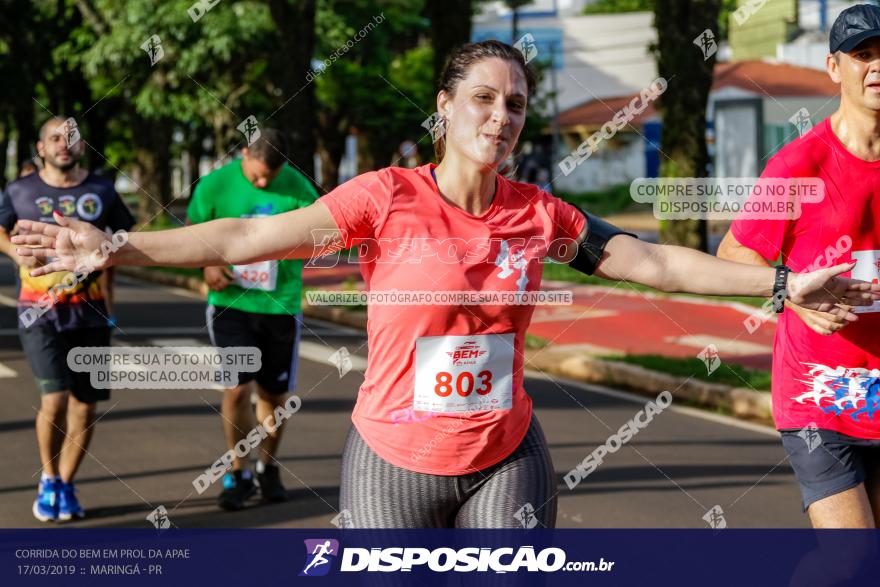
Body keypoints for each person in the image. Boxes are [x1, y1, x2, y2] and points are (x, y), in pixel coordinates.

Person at [13, 41, 880, 529]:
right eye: (483, 100)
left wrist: (780, 283)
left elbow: (646, 259)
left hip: (506, 460)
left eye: (514, 104)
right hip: (393, 465)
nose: (500, 118)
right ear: (444, 108)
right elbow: (247, 233)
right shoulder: (385, 197)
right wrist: (114, 245)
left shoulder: (539, 212)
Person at [717, 4, 880, 529]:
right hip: (821, 393)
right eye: (863, 55)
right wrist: (792, 292)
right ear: (835, 68)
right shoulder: (796, 166)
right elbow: (733, 255)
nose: (876, 67)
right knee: (850, 560)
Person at [0, 117, 135, 522]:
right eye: (55, 138)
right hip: (39, 311)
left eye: (71, 138)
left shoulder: (101, 190)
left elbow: (127, 235)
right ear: (41, 147)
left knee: (85, 407)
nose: (64, 144)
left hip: (89, 311)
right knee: (54, 399)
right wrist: (12, 252)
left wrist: (107, 255)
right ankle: (48, 478)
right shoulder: (19, 191)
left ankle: (66, 481)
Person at [186, 128, 318, 510]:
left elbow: (320, 235)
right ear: (244, 152)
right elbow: (193, 233)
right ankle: (239, 470)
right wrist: (208, 265)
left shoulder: (299, 188)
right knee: (237, 388)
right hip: (232, 304)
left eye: (270, 178)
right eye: (257, 175)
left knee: (275, 397)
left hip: (279, 305)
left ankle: (268, 466)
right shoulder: (214, 185)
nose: (263, 183)